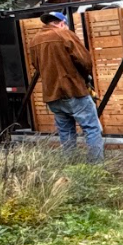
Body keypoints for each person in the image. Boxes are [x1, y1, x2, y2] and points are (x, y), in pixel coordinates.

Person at [27, 11, 104, 162]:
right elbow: (84, 61)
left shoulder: (35, 40)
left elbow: (36, 65)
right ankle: (96, 168)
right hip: (74, 90)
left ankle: (70, 165)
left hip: (52, 94)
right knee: (92, 129)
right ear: (62, 23)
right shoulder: (65, 34)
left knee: (66, 132)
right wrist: (85, 77)